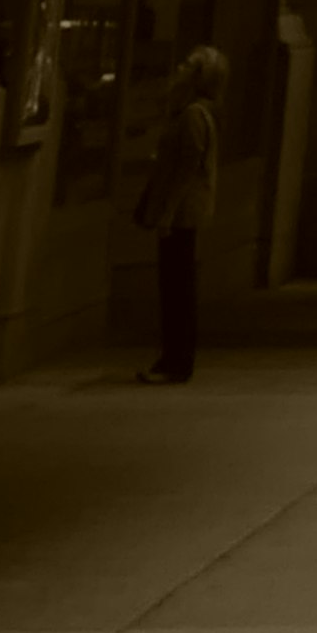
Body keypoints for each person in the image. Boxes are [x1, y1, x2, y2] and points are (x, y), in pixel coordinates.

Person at [130, 44, 229, 384]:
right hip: (183, 211)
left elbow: (187, 167)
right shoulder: (193, 112)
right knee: (177, 285)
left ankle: (175, 360)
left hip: (181, 213)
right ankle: (174, 358)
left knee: (176, 287)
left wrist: (167, 213)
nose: (181, 67)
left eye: (189, 64)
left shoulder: (192, 116)